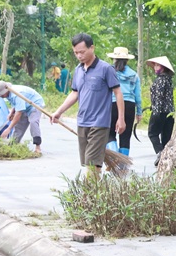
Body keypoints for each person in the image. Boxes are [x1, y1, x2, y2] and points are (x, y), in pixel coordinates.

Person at [51, 33, 125, 174]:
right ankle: (94, 193)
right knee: (89, 163)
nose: (79, 56)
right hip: (82, 121)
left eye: (82, 52)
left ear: (92, 48)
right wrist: (58, 112)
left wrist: (120, 119)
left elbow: (118, 93)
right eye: (76, 53)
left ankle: (88, 194)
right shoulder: (78, 70)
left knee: (92, 163)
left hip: (100, 123)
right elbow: (75, 93)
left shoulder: (105, 69)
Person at [106, 47, 142, 156]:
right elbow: (138, 96)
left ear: (114, 59)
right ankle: (122, 167)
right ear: (127, 60)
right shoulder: (134, 74)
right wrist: (139, 112)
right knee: (125, 136)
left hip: (113, 104)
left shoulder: (109, 72)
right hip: (130, 106)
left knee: (109, 133)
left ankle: (114, 154)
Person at [0, 81, 43, 153]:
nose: (0, 97)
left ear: (4, 91)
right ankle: (13, 145)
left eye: (1, 95)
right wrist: (12, 113)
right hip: (25, 105)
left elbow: (19, 113)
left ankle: (38, 147)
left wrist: (9, 129)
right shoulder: (8, 94)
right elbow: (16, 105)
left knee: (33, 122)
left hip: (35, 104)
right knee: (19, 126)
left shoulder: (16, 94)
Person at [146, 56, 175, 166]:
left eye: (158, 65)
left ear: (163, 67)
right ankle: (165, 161)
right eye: (155, 65)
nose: (155, 67)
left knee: (152, 133)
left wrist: (156, 112)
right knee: (166, 138)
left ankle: (160, 153)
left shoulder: (160, 80)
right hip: (170, 113)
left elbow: (159, 97)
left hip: (160, 111)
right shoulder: (168, 79)